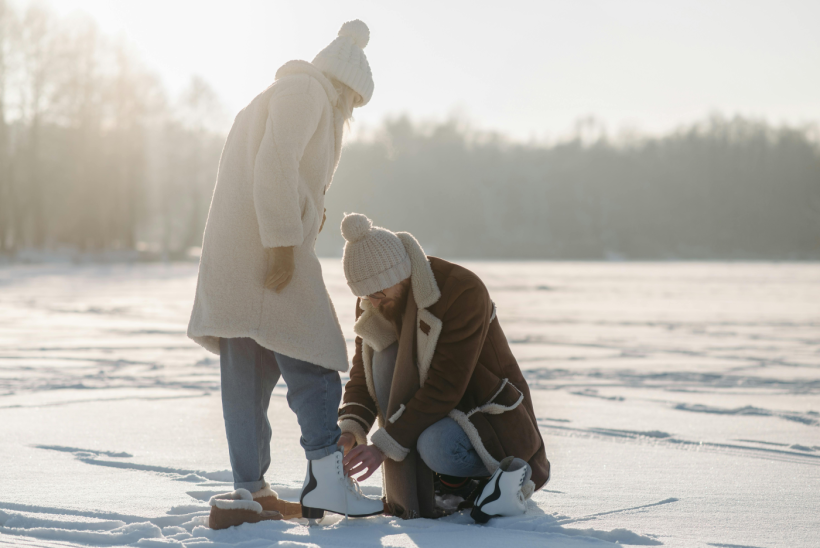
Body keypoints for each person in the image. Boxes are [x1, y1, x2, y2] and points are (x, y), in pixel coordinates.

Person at [186, 21, 384, 529]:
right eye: (354, 101)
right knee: (314, 354)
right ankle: (327, 479)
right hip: (266, 253)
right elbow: (275, 165)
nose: (351, 113)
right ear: (346, 86)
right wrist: (281, 244)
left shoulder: (283, 92)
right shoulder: (307, 93)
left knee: (247, 375)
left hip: (237, 257)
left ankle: (249, 492)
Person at [335, 213, 551, 520]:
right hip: (428, 411)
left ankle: (496, 479)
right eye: (365, 295)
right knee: (380, 358)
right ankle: (439, 485)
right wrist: (350, 430)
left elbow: (446, 385)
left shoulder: (461, 290)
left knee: (436, 446)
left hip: (483, 413)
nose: (374, 302)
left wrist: (382, 447)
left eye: (379, 293)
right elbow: (363, 375)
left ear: (401, 274)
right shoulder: (375, 300)